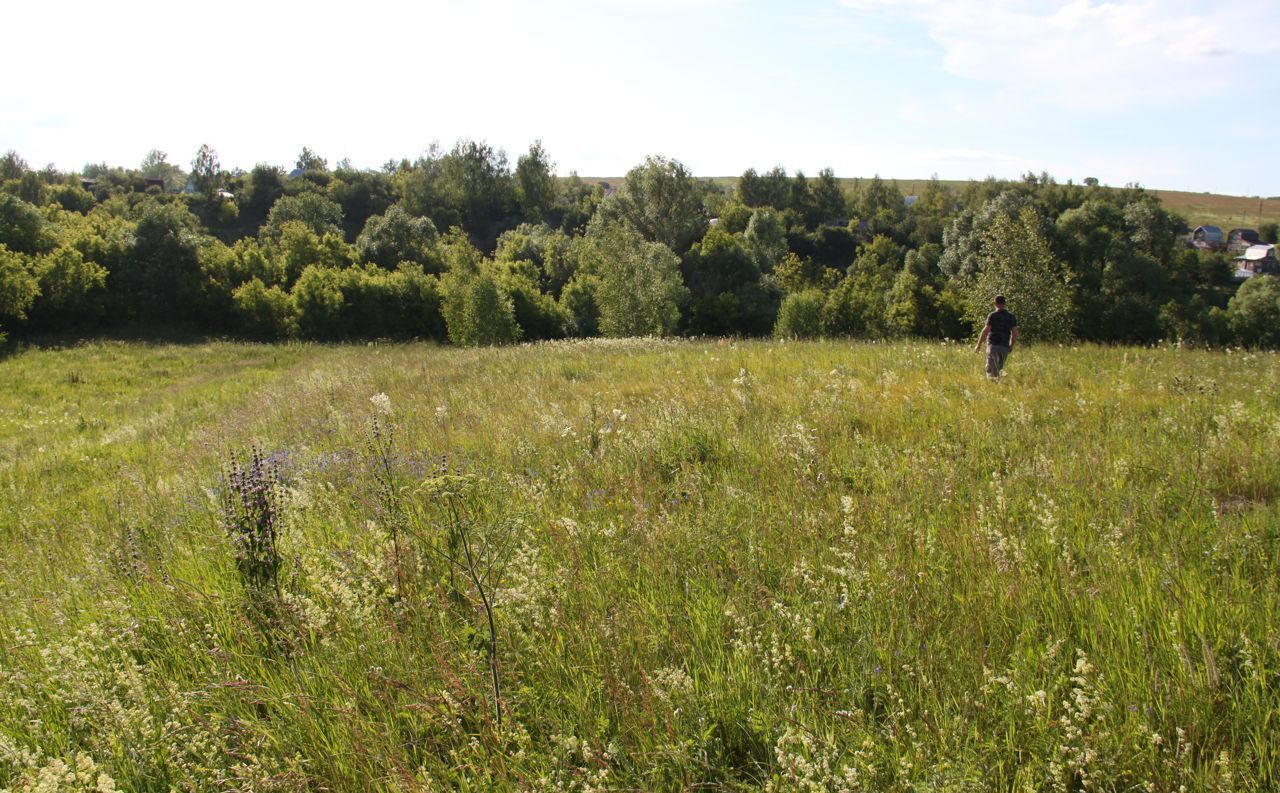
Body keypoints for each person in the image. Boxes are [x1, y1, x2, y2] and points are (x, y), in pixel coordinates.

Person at [974, 295, 1018, 378]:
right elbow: (1015, 332)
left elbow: (985, 331)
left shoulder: (992, 316)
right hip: (1004, 346)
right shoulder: (1011, 317)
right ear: (1004, 304)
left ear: (995, 304)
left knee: (991, 370)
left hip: (993, 345)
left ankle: (994, 386)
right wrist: (1011, 345)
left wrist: (978, 345)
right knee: (999, 368)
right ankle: (998, 386)